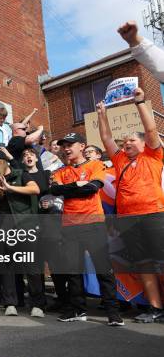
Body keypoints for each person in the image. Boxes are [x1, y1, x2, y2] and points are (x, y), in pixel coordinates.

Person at [96, 88, 164, 323]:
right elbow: (106, 138)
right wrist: (102, 114)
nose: (126, 143)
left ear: (144, 143)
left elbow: (151, 129)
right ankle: (156, 308)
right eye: (124, 141)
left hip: (154, 215)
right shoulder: (119, 159)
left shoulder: (154, 155)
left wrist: (140, 103)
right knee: (144, 264)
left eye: (131, 140)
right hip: (128, 219)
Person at [49, 133, 123, 326]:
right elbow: (55, 190)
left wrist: (70, 188)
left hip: (93, 224)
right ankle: (78, 310)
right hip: (69, 226)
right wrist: (77, 185)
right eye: (64, 145)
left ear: (82, 146)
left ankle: (113, 314)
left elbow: (92, 188)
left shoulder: (95, 165)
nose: (66, 148)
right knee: (73, 271)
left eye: (70, 144)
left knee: (103, 270)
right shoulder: (60, 171)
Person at [0, 149, 44, 317]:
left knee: (31, 266)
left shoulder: (21, 174)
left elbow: (35, 189)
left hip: (26, 224)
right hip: (5, 226)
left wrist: (9, 187)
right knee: (8, 266)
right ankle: (10, 303)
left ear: (3, 161)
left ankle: (37, 304)